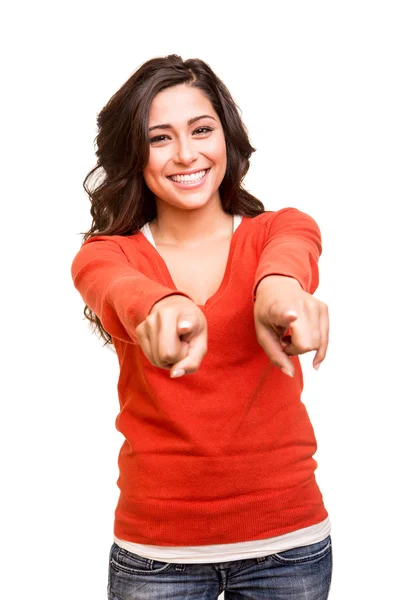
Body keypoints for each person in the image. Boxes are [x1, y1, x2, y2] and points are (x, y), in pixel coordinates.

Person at [71, 54, 332, 600]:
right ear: (133, 153)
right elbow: (119, 290)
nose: (186, 154)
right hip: (157, 558)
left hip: (288, 546)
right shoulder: (107, 254)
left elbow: (291, 253)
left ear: (227, 137)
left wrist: (278, 291)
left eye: (202, 129)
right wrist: (162, 307)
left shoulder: (277, 230)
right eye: (159, 138)